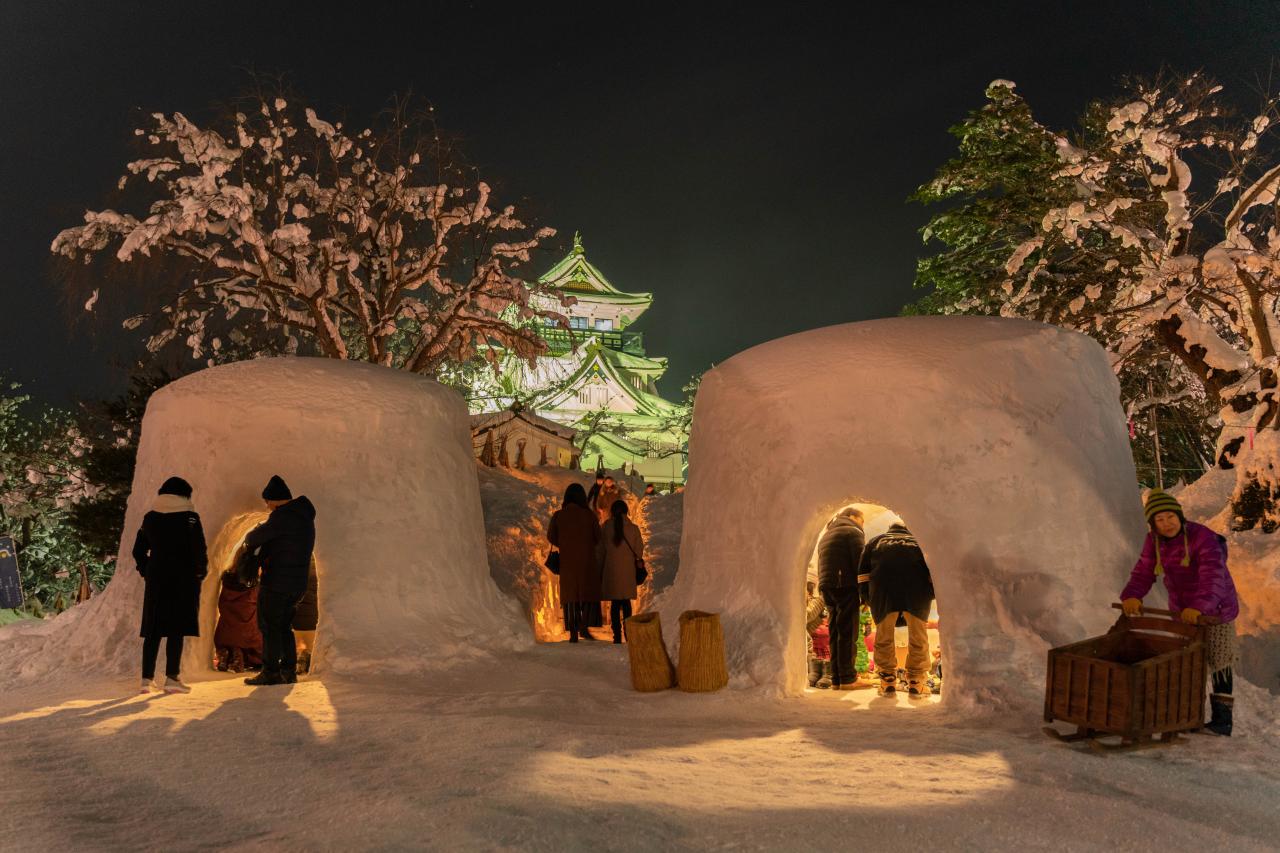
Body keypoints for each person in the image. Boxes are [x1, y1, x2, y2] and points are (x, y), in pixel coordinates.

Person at [1121, 489, 1240, 736]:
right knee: (1187, 662)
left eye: (1170, 516)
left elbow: (1213, 577)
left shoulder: (1202, 537)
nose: (1166, 524)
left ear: (1179, 515)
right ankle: (1185, 716)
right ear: (1153, 524)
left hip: (1216, 609)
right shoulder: (1153, 541)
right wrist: (1132, 595)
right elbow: (1144, 571)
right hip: (1183, 611)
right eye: (1159, 520)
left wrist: (1199, 607)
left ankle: (1222, 721)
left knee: (1219, 661)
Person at [132, 476, 207, 694]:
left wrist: (146, 569)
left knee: (153, 628)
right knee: (177, 627)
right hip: (183, 578)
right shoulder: (190, 518)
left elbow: (138, 550)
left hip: (157, 578)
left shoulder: (150, 518)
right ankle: (172, 678)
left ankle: (146, 680)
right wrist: (199, 574)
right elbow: (199, 550)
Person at [241, 475, 316, 686]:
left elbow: (252, 539)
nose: (266, 505)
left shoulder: (282, 517)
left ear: (275, 500)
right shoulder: (303, 516)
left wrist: (257, 530)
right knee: (284, 626)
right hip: (297, 583)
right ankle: (288, 671)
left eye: (267, 501)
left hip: (277, 582)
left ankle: (271, 671)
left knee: (269, 626)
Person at [859, 522, 934, 697]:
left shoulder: (875, 542)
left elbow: (862, 574)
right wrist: (930, 595)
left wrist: (867, 599)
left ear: (889, 530)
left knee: (884, 637)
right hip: (917, 594)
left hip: (883, 594)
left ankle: (888, 682)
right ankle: (916, 683)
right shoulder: (920, 542)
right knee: (918, 638)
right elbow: (933, 573)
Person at [817, 507, 868, 690]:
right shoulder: (852, 531)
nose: (862, 525)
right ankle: (848, 678)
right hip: (845, 584)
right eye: (862, 521)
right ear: (853, 516)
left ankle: (837, 678)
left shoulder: (826, 534)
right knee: (848, 631)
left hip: (827, 586)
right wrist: (865, 594)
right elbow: (860, 564)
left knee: (836, 631)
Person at [547, 483, 602, 643]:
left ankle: (572, 632)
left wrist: (564, 543)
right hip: (587, 561)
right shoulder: (589, 515)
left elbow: (551, 536)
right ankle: (584, 626)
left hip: (567, 561)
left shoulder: (559, 515)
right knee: (586, 593)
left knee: (570, 596)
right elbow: (598, 536)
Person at [599, 499, 645, 644]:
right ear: (626, 511)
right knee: (626, 604)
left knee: (615, 604)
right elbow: (639, 551)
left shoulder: (606, 527)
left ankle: (616, 636)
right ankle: (628, 633)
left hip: (612, 571)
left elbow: (600, 550)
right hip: (627, 572)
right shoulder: (633, 528)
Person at [214, 557, 263, 673]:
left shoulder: (227, 581)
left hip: (227, 629)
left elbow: (222, 603)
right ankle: (239, 657)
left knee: (226, 635)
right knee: (255, 639)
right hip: (247, 630)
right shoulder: (254, 586)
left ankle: (226, 654)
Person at [292, 558, 319, 674]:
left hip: (295, 619)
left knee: (296, 644)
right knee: (310, 646)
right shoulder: (319, 571)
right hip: (313, 620)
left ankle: (298, 660)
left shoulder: (295, 569)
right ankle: (307, 661)